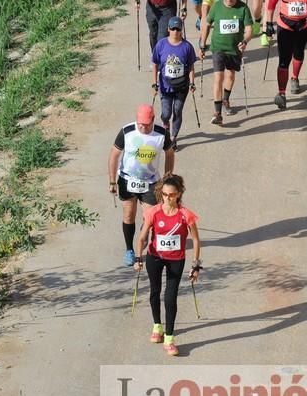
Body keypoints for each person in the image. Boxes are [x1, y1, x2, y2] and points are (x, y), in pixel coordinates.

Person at [134, 173, 201, 356]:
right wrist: (138, 258)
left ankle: (169, 338)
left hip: (176, 260)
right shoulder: (153, 212)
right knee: (155, 292)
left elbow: (195, 240)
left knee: (170, 297)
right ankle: (157, 326)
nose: (167, 198)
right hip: (155, 257)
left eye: (171, 195)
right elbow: (142, 238)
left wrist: (195, 266)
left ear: (178, 194)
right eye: (164, 194)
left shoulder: (185, 215)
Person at [108, 104, 175, 266]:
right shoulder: (127, 131)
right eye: (140, 123)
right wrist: (112, 181)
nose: (142, 127)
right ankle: (130, 250)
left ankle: (143, 237)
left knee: (150, 218)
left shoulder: (161, 134)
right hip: (127, 180)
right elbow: (114, 156)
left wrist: (167, 178)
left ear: (152, 120)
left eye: (145, 124)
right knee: (129, 215)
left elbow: (170, 154)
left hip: (151, 182)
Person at [199, 0, 253, 125]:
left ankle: (225, 99)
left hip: (234, 49)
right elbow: (207, 24)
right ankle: (217, 113)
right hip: (218, 48)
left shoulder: (243, 8)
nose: (229, 1)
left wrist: (245, 41)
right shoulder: (217, 6)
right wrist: (203, 43)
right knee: (218, 77)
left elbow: (250, 30)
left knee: (231, 75)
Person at [264, 0, 307, 110]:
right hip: (285, 24)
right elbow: (271, 3)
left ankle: (294, 78)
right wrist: (268, 23)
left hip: (303, 25)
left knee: (299, 52)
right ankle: (281, 93)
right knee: (284, 60)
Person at [152, 16, 197, 150]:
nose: (175, 32)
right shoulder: (161, 45)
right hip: (165, 86)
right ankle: (165, 127)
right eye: (173, 29)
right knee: (166, 113)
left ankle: (173, 138)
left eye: (178, 29)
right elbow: (154, 64)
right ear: (168, 29)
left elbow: (191, 67)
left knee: (177, 111)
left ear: (181, 30)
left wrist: (192, 83)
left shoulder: (187, 47)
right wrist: (154, 84)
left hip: (182, 86)